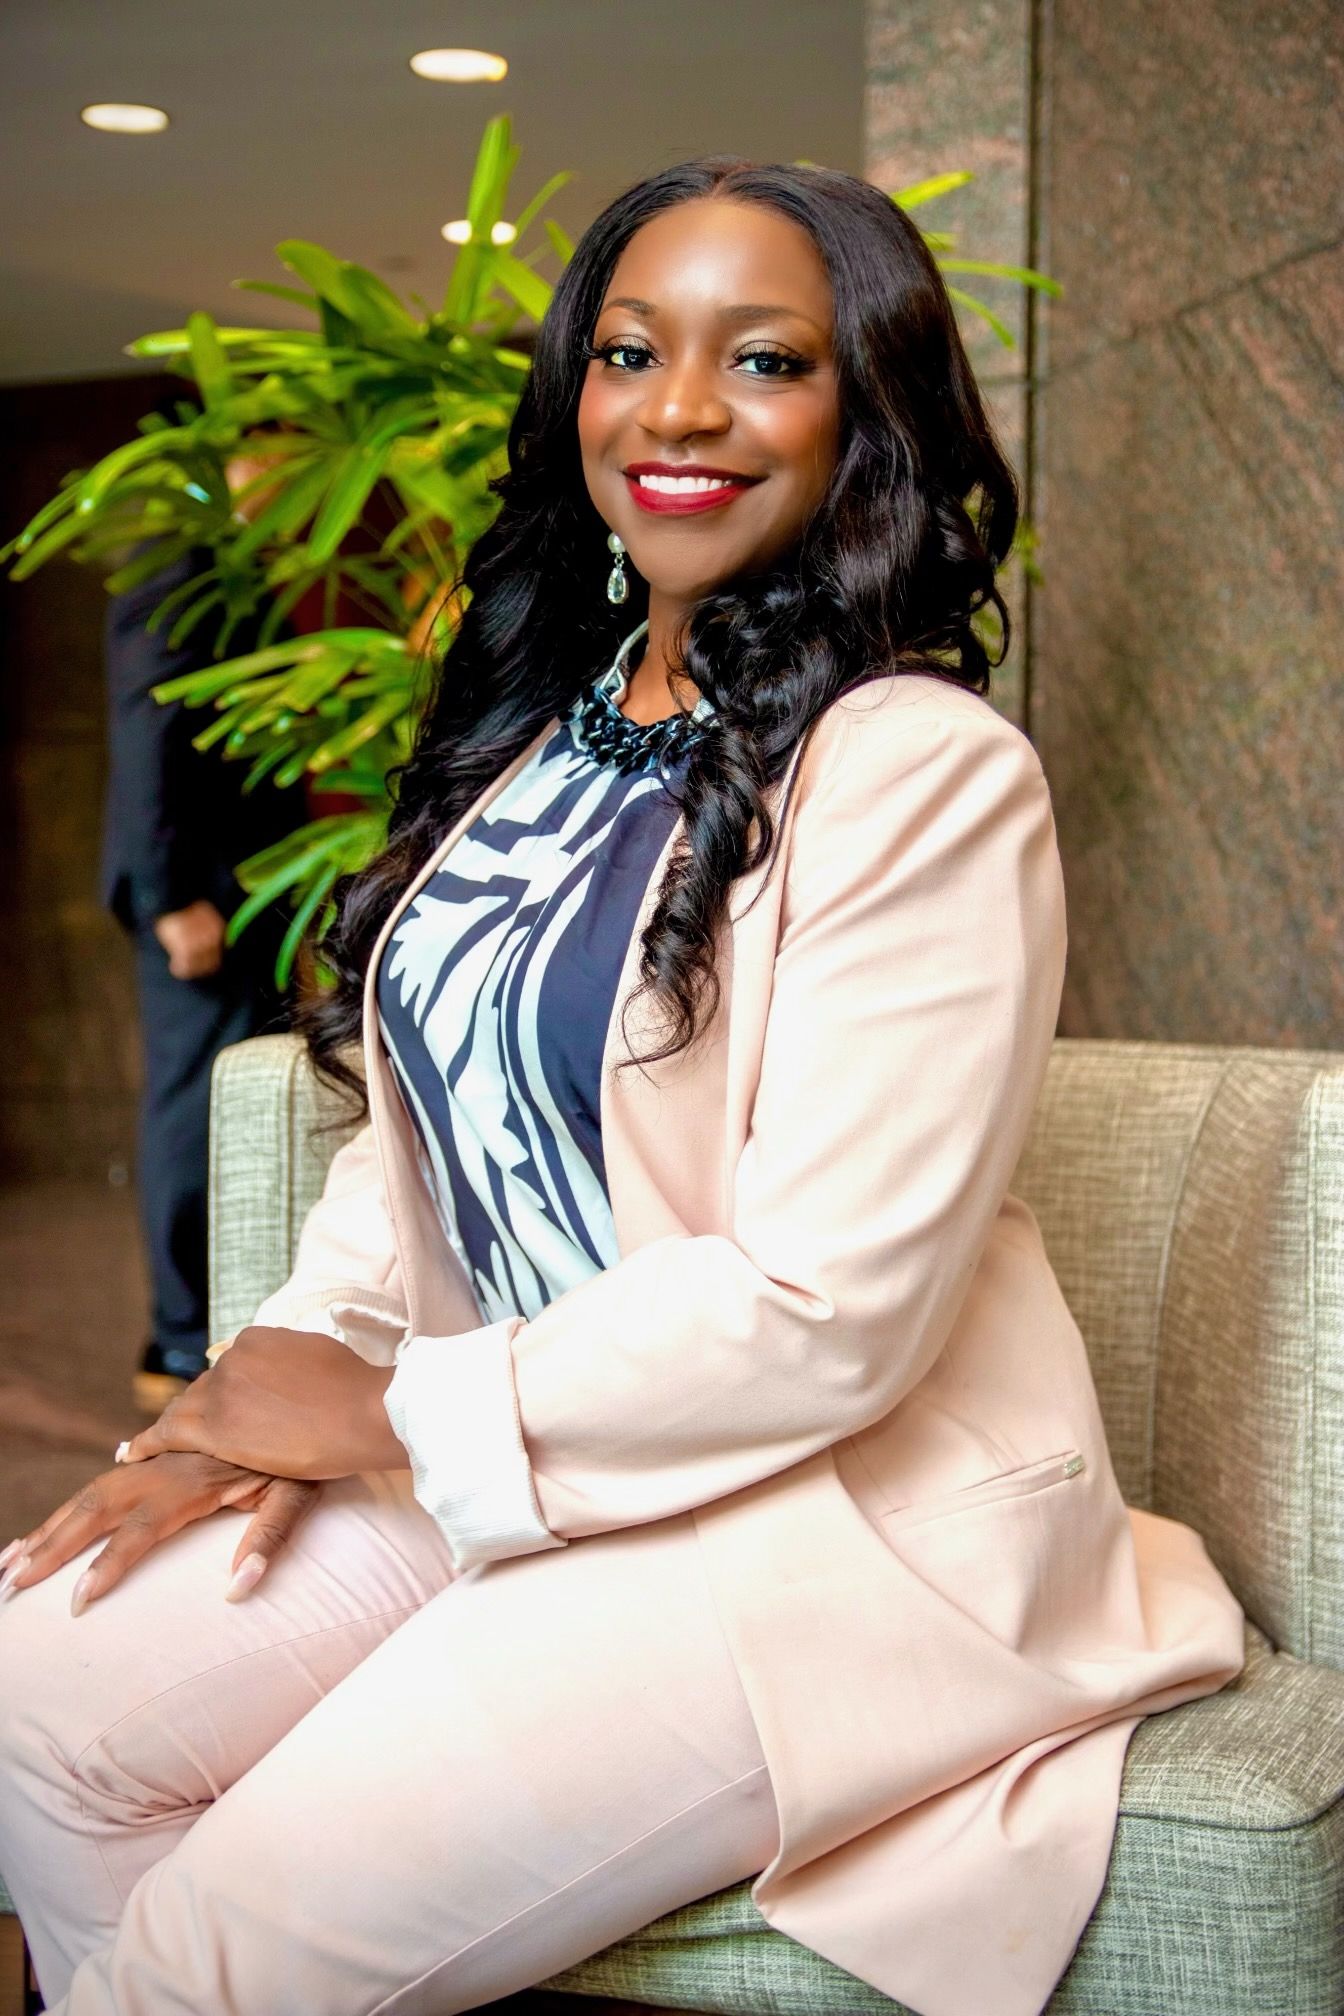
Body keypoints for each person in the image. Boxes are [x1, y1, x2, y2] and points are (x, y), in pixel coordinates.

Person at [0, 157, 1245, 2016]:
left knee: (219, 1945)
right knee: (38, 1700)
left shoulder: (920, 769)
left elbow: (827, 1312)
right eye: (626, 351)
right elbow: (421, 1143)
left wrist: (390, 1418)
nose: (674, 408)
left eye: (762, 361)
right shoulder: (543, 742)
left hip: (809, 1517)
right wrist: (276, 1383)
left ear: (866, 419)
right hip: (514, 1458)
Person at [100, 503, 302, 1408]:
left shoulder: (234, 565)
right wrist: (169, 896)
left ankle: (214, 1327)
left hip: (248, 892)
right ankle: (178, 1341)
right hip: (201, 896)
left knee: (228, 1098)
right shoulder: (181, 562)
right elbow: (149, 735)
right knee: (194, 1102)